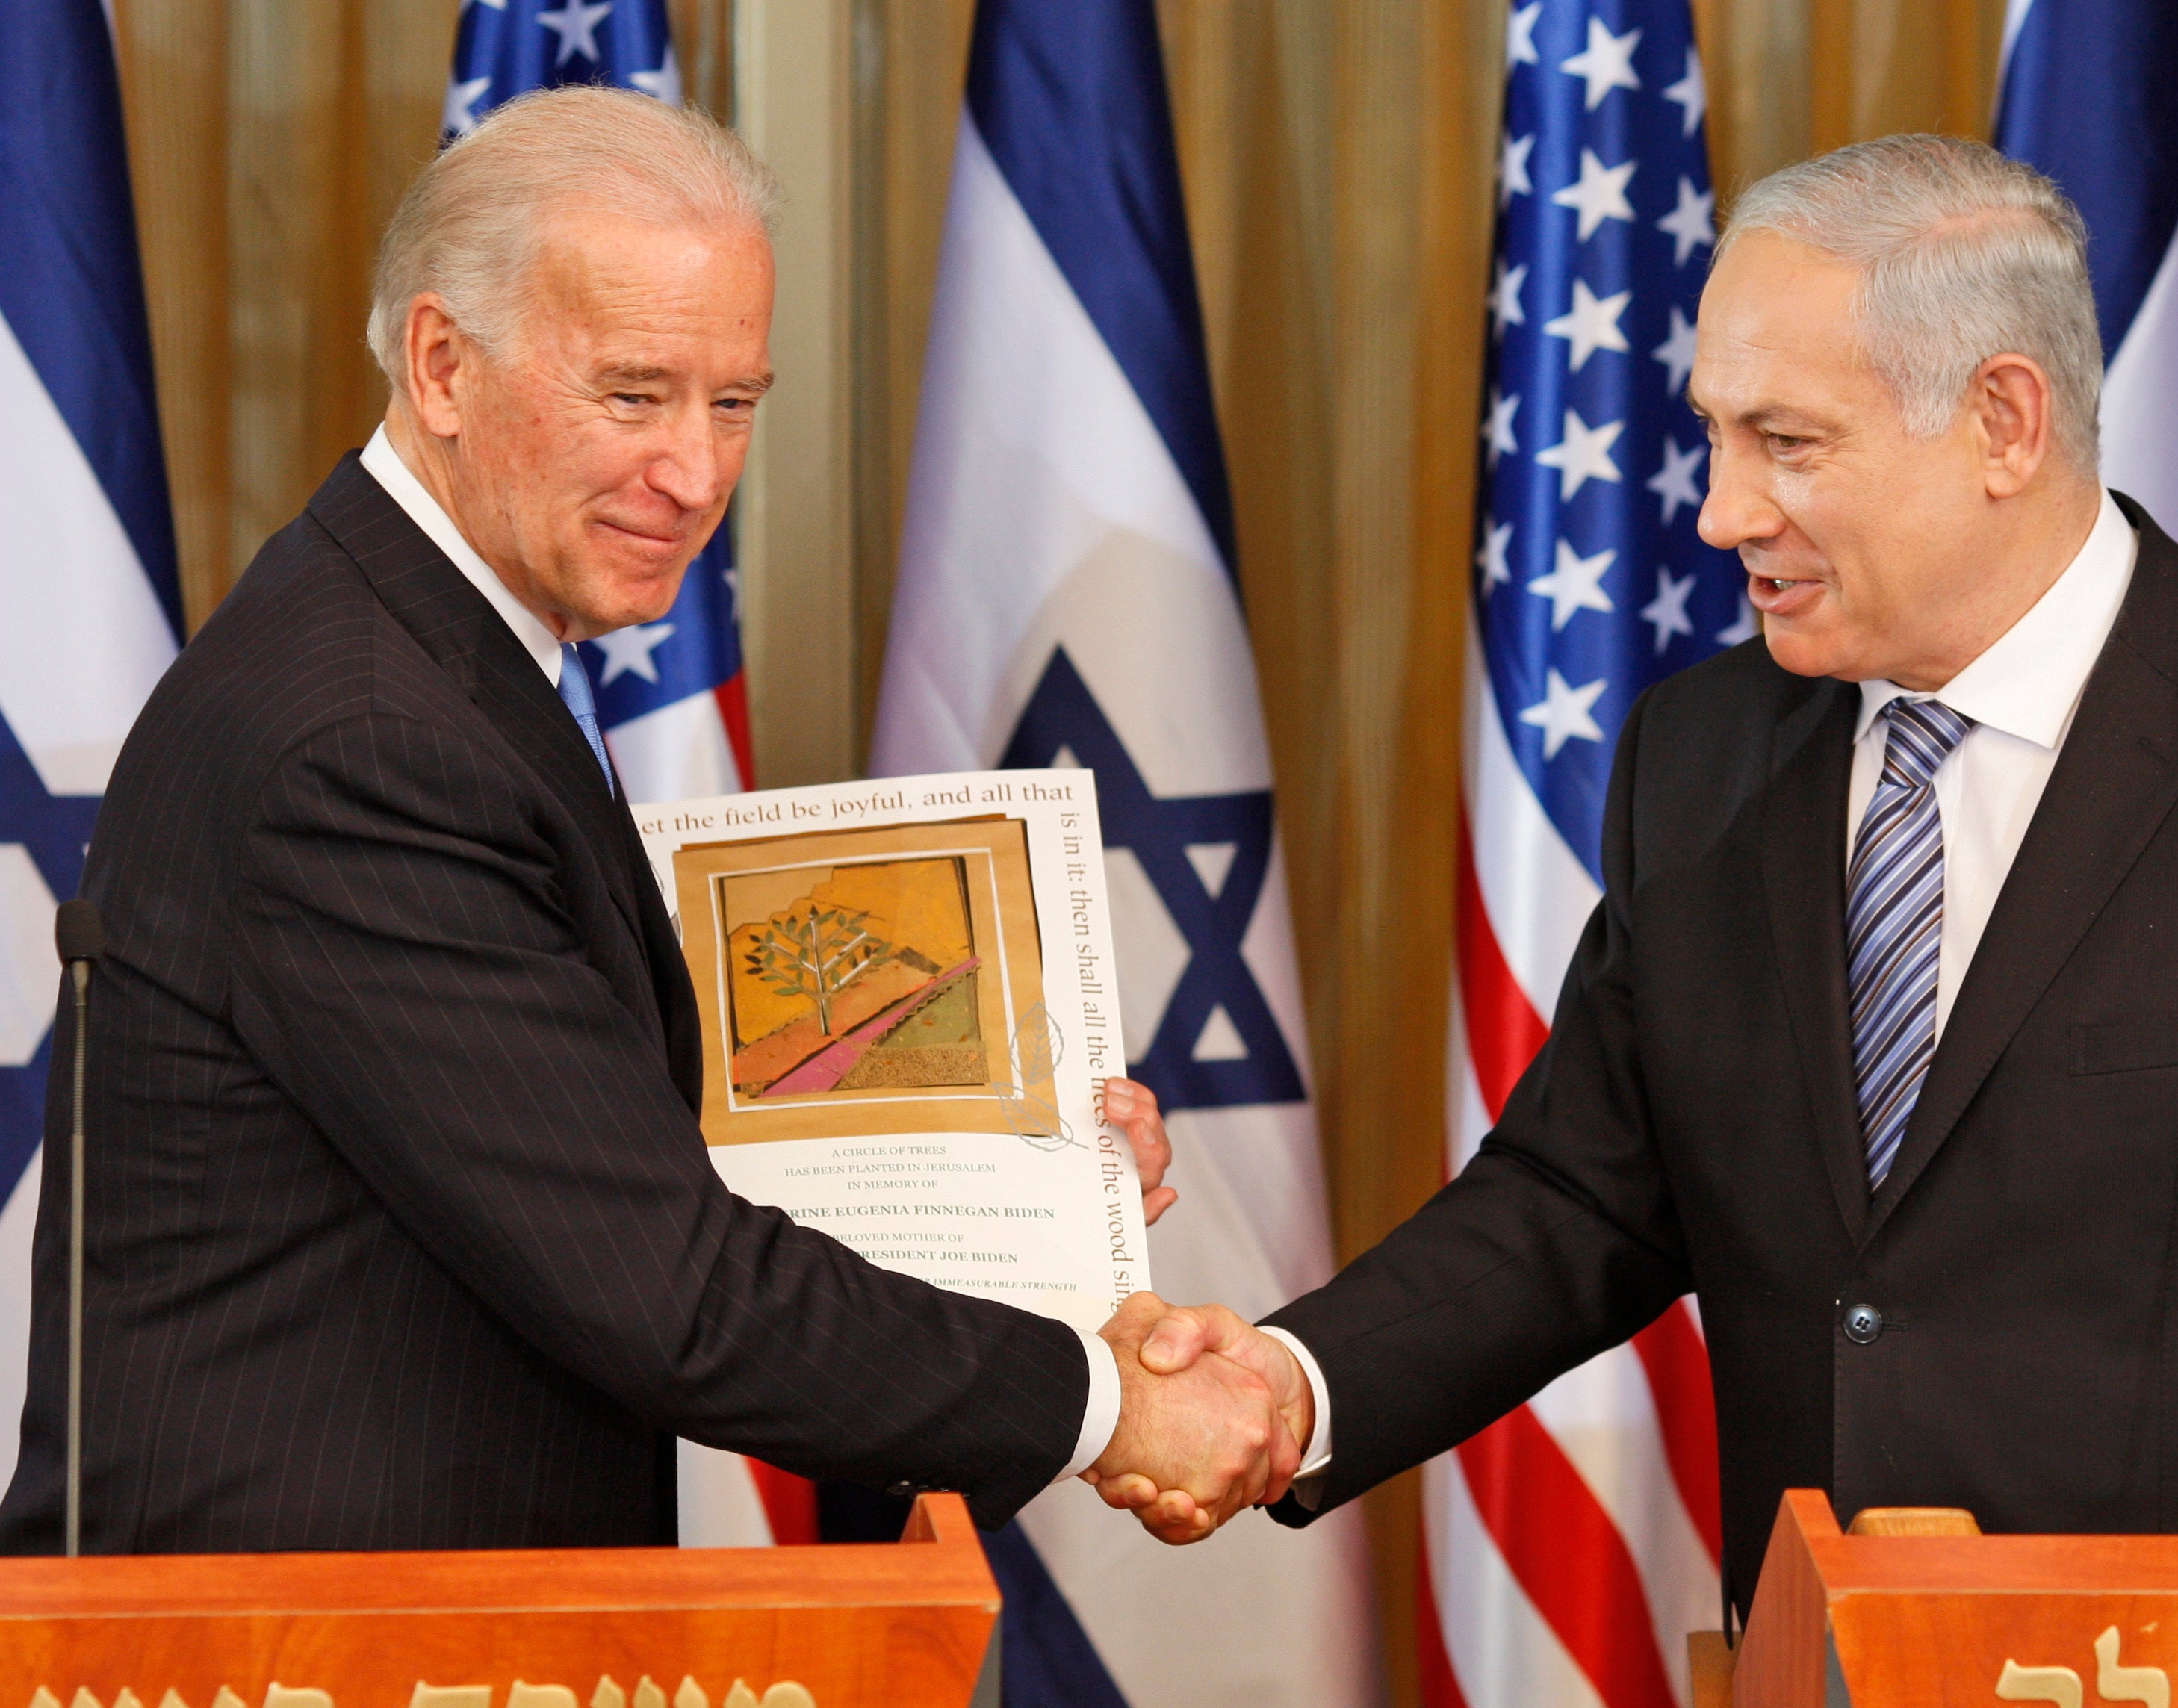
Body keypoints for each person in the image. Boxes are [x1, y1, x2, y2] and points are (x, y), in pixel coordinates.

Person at [1105, 134, 2178, 1606]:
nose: (1724, 510)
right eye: (1715, 434)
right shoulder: (1701, 752)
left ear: (2003, 421)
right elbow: (1576, 1195)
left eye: (1787, 442)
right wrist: (1282, 1389)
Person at [0, 87, 1282, 1554]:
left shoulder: (438, 655)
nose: (694, 475)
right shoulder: (364, 743)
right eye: (633, 395)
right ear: (439, 364)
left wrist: (1015, 1174)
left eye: (733, 402)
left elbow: (566, 1154)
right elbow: (668, 1294)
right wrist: (1108, 1401)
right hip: (299, 1694)